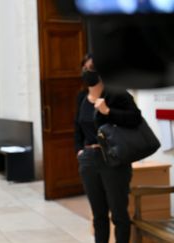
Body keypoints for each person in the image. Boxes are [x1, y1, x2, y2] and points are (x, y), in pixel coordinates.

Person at [74, 54, 142, 243]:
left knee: (119, 214)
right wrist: (79, 150)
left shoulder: (117, 94)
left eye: (92, 69)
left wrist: (108, 112)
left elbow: (135, 118)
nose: (88, 72)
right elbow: (77, 128)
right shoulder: (81, 97)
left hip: (113, 160)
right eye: (85, 68)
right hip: (88, 160)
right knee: (98, 215)